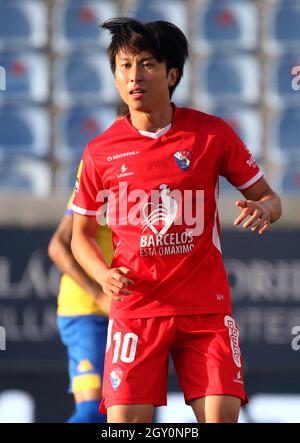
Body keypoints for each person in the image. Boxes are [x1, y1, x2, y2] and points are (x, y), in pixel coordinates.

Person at [70, 18, 282, 423]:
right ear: (115, 77)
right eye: (124, 66)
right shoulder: (100, 151)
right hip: (136, 309)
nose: (134, 77)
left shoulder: (212, 135)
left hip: (205, 308)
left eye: (146, 64)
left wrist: (264, 210)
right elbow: (79, 236)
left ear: (172, 75)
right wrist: (101, 275)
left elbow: (270, 199)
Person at [48, 103, 128, 423]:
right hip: (86, 309)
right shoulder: (97, 178)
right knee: (92, 412)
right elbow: (58, 246)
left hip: (125, 310)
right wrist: (97, 293)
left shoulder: (148, 181)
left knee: (121, 413)